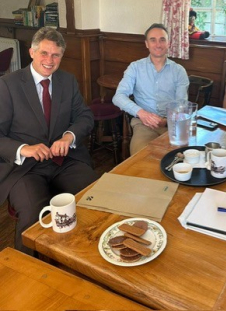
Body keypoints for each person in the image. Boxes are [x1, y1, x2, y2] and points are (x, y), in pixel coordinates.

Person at [0, 27, 98, 254]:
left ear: (61, 56)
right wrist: (23, 149)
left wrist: (69, 136)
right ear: (32, 52)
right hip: (24, 169)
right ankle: (26, 270)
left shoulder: (67, 81)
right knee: (34, 211)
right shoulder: (8, 85)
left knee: (92, 197)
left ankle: (84, 255)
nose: (49, 60)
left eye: (56, 55)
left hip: (65, 160)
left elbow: (84, 116)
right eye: (44, 53)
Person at [113, 23, 189, 155]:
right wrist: (142, 113)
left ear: (168, 43)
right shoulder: (135, 67)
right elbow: (118, 96)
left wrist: (167, 121)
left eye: (162, 40)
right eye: (153, 40)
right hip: (143, 125)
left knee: (178, 158)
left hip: (172, 125)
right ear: (146, 44)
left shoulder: (179, 71)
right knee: (141, 158)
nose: (158, 44)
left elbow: (181, 104)